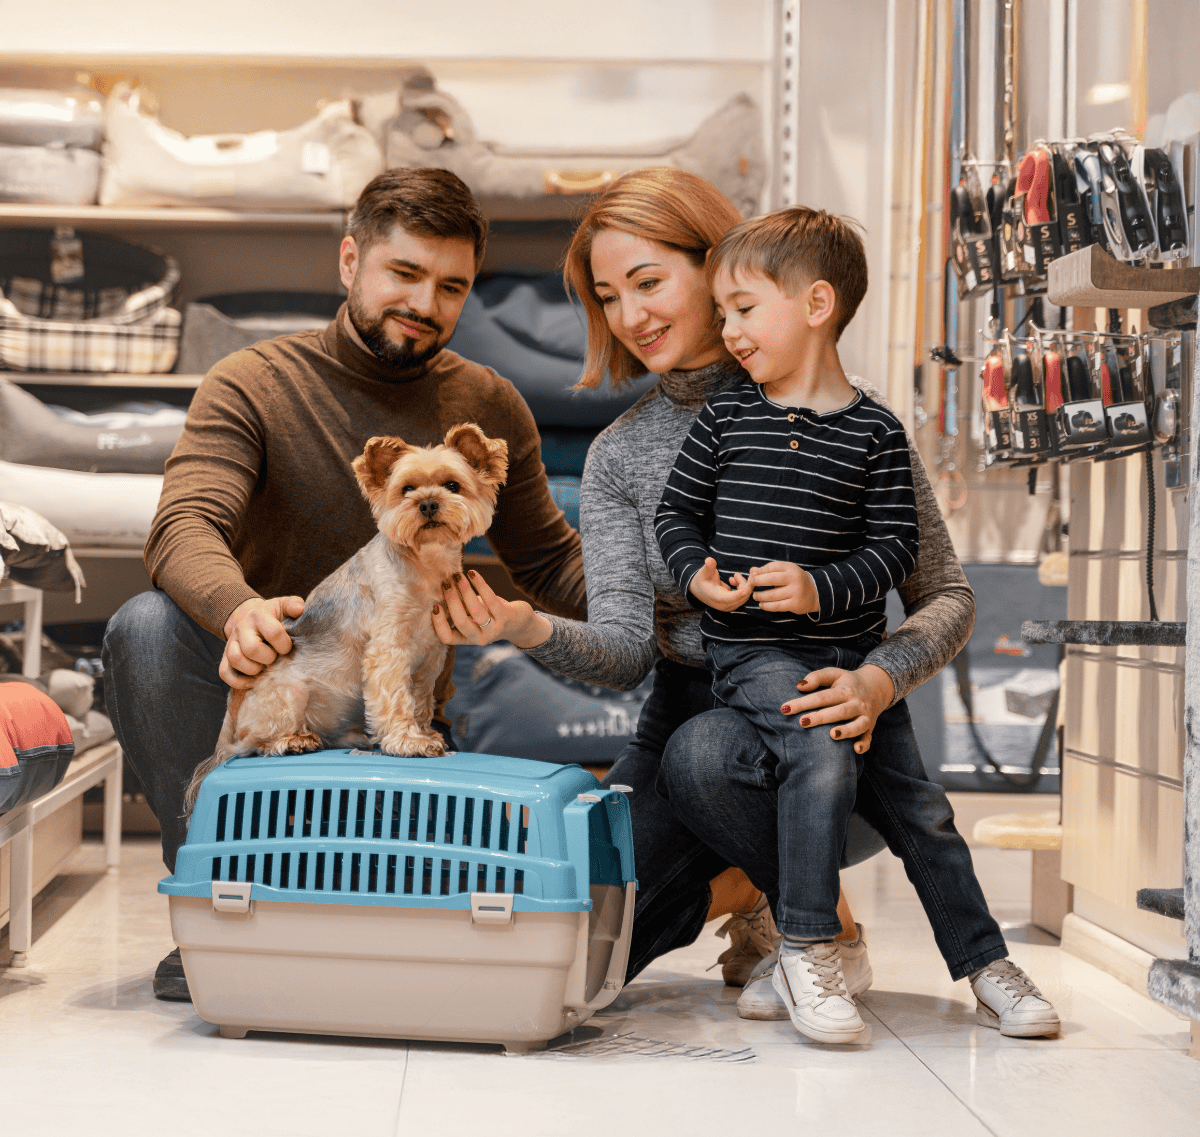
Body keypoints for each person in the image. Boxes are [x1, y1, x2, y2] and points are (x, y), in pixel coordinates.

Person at [433, 168, 1052, 1039]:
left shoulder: (843, 417)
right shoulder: (619, 456)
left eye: (649, 283)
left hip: (837, 710)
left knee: (704, 751)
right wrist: (520, 624)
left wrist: (878, 681)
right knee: (584, 954)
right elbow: (623, 654)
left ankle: (819, 928)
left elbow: (944, 593)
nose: (631, 316)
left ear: (717, 263)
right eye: (608, 297)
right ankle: (756, 893)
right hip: (695, 695)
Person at [103, 167, 588, 1001]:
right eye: (403, 274)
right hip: (264, 678)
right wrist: (240, 610)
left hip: (398, 705)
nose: (427, 303)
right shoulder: (253, 381)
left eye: (452, 286)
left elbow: (549, 563)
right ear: (349, 260)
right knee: (143, 627)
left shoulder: (489, 401)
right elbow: (183, 527)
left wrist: (673, 597)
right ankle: (219, 899)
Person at [654, 208, 1058, 1042]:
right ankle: (809, 944)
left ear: (816, 305)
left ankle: (986, 964)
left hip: (851, 653)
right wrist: (697, 573)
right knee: (816, 743)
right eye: (722, 312)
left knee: (926, 814)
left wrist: (821, 591)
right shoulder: (728, 417)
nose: (725, 328)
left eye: (741, 308)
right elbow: (676, 513)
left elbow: (895, 552)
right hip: (755, 651)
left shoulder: (876, 434)